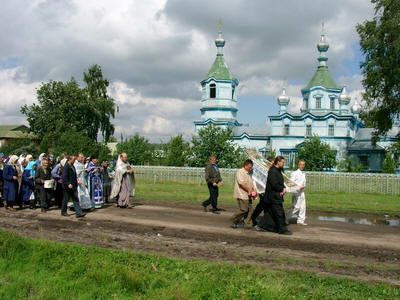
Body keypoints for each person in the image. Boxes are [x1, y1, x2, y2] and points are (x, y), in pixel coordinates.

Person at [256, 156, 292, 235]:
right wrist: (282, 189)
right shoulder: (272, 171)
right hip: (273, 197)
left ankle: (262, 225)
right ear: (278, 162)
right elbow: (274, 184)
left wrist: (283, 187)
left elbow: (279, 183)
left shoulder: (278, 171)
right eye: (282, 162)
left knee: (270, 213)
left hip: (275, 196)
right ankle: (282, 230)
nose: (283, 163)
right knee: (279, 213)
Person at [231, 159, 257, 228]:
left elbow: (251, 183)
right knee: (244, 210)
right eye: (249, 167)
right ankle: (234, 220)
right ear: (245, 165)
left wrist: (254, 190)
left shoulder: (249, 173)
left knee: (250, 210)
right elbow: (242, 184)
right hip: (242, 194)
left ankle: (247, 224)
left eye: (251, 167)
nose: (250, 168)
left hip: (248, 195)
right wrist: (249, 190)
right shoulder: (240, 172)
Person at [251, 156, 274, 226]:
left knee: (263, 206)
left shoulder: (270, 170)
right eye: (272, 163)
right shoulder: (262, 169)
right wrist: (257, 190)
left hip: (267, 191)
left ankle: (255, 218)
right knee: (263, 205)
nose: (273, 164)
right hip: (262, 191)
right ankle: (254, 218)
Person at [286, 160, 307, 226]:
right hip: (296, 191)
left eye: (303, 165)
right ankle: (285, 217)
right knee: (296, 207)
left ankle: (300, 221)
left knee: (303, 206)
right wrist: (298, 187)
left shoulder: (303, 174)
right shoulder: (295, 173)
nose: (302, 166)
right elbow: (291, 183)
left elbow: (304, 183)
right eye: (301, 164)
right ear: (298, 165)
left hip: (301, 191)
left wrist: (303, 186)